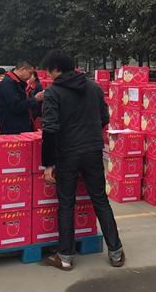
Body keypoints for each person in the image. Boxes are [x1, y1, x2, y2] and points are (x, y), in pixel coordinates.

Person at [41, 49, 124, 271]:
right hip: (93, 151)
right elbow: (104, 117)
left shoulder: (53, 92)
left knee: (66, 205)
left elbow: (50, 128)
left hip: (66, 154)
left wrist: (48, 162)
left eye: (49, 70)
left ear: (56, 68)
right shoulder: (93, 88)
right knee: (101, 201)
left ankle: (65, 257)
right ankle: (116, 253)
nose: (48, 75)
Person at [0, 60, 44, 135]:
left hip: (20, 127)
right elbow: (16, 106)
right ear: (22, 69)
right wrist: (34, 99)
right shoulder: (8, 84)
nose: (30, 76)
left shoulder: (17, 82)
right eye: (30, 73)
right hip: (13, 130)